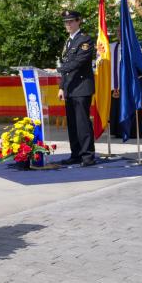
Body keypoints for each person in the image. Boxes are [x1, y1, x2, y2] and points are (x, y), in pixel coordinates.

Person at [57, 9, 96, 167]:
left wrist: (58, 70)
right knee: (72, 124)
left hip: (81, 88)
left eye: (71, 21)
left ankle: (88, 156)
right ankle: (76, 154)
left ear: (79, 21)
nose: (68, 24)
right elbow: (66, 66)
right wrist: (61, 87)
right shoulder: (68, 41)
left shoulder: (85, 40)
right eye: (66, 22)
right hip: (70, 89)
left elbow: (78, 62)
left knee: (82, 124)